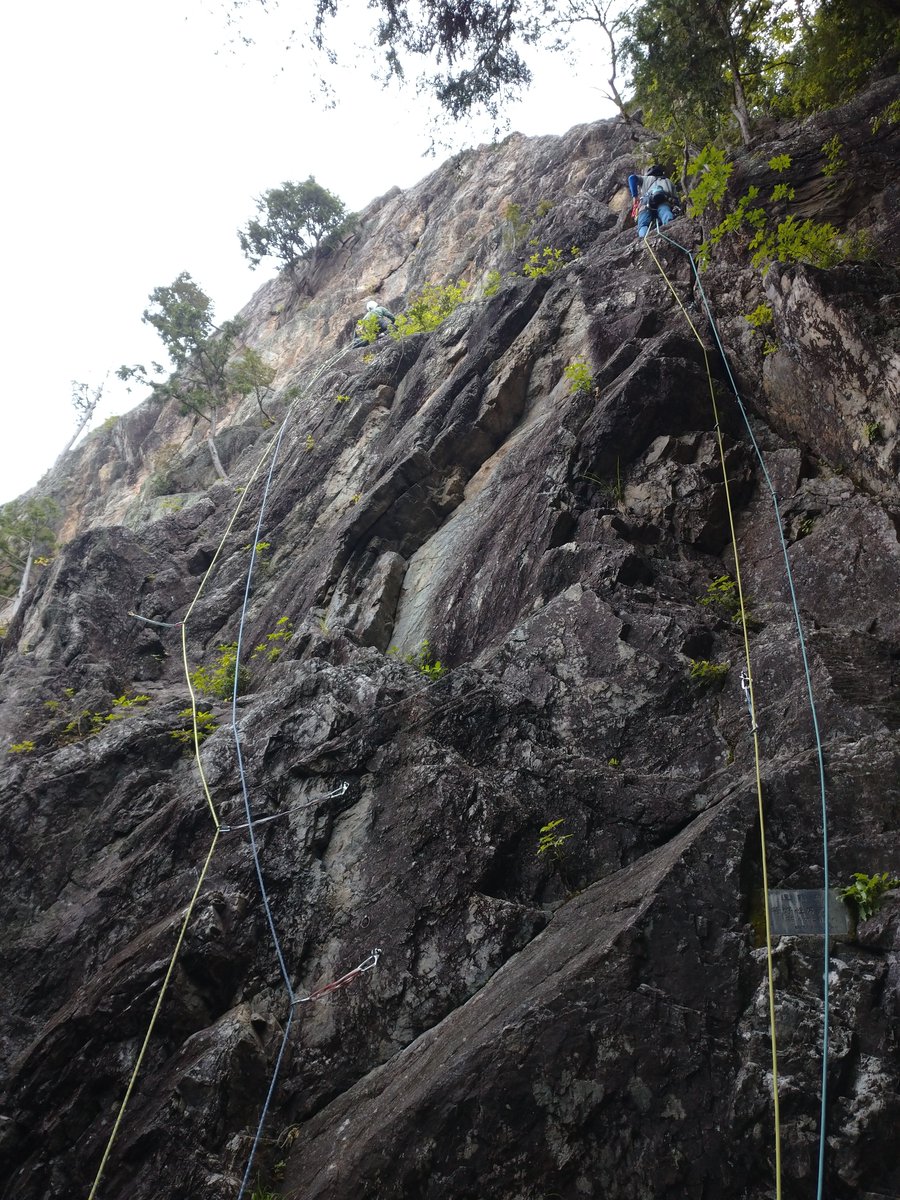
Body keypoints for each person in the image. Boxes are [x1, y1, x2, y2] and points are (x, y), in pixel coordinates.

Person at [628, 165, 681, 238]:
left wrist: (635, 196)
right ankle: (672, 231)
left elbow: (631, 178)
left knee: (643, 224)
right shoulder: (668, 181)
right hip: (664, 200)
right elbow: (676, 199)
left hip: (646, 203)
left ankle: (644, 239)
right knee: (665, 214)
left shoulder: (646, 179)